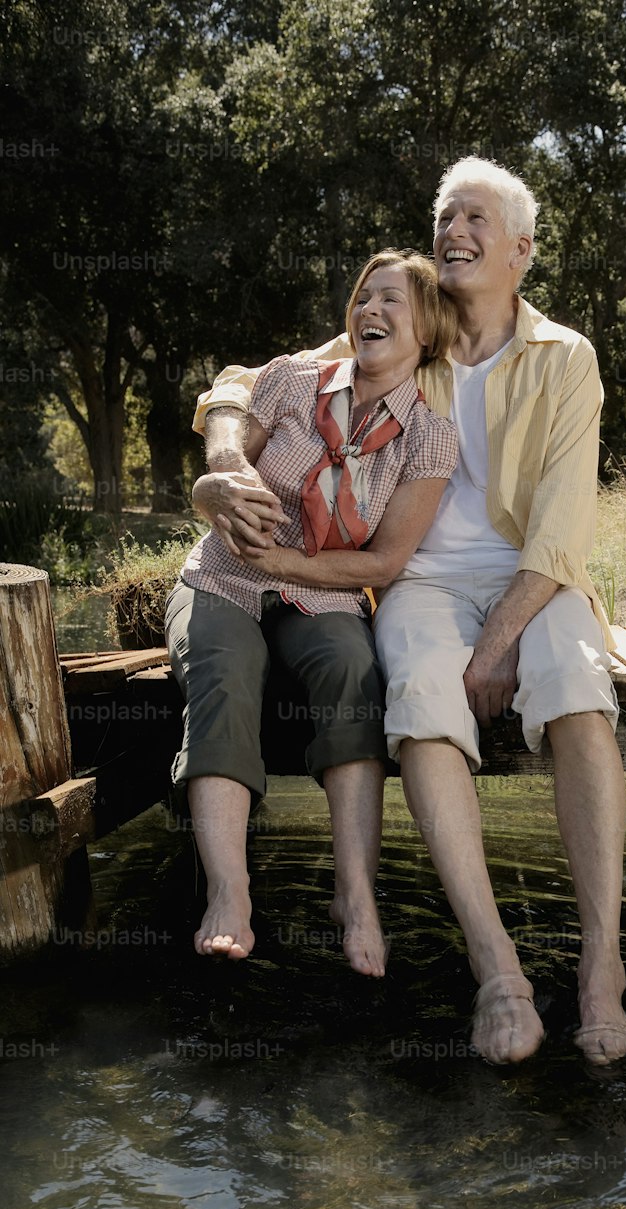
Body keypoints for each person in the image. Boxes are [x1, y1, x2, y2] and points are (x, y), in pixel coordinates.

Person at [192, 158, 626, 1068]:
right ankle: (499, 975)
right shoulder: (408, 331)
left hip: (534, 580)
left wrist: (503, 642)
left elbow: (561, 535)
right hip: (417, 584)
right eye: (445, 216)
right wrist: (221, 458)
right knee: (425, 716)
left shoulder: (567, 358)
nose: (454, 232)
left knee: (580, 697)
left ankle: (603, 975)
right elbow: (251, 380)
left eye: (475, 218)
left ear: (520, 248)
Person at [168, 249, 458, 974]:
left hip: (323, 584)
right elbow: (228, 449)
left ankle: (355, 896)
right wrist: (219, 482)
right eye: (364, 297)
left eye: (392, 300)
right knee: (226, 672)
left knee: (354, 671)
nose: (371, 311)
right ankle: (229, 894)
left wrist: (289, 565)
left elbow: (384, 563)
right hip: (227, 573)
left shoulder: (430, 435)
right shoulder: (294, 380)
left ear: (428, 329)